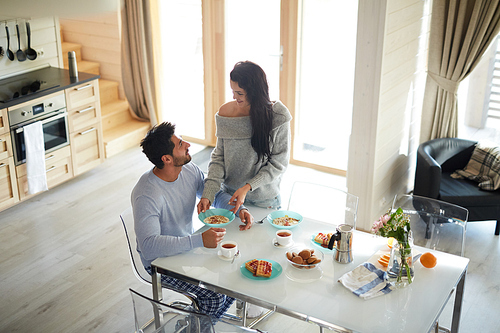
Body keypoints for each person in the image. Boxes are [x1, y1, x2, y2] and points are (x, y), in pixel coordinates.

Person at [131, 122, 254, 321]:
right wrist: (198, 241)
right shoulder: (147, 194)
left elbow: (213, 194)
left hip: (185, 248)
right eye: (180, 144)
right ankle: (197, 324)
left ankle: (193, 324)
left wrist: (239, 209)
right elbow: (149, 247)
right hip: (159, 262)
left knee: (234, 280)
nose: (187, 144)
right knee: (214, 297)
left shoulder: (188, 170)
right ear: (167, 159)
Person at [198, 61, 292, 215]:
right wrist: (208, 193)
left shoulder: (278, 116)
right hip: (230, 198)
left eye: (239, 93)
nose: (234, 97)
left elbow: (278, 164)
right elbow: (219, 157)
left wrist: (248, 187)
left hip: (264, 200)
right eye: (233, 91)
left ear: (254, 92)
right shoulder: (225, 113)